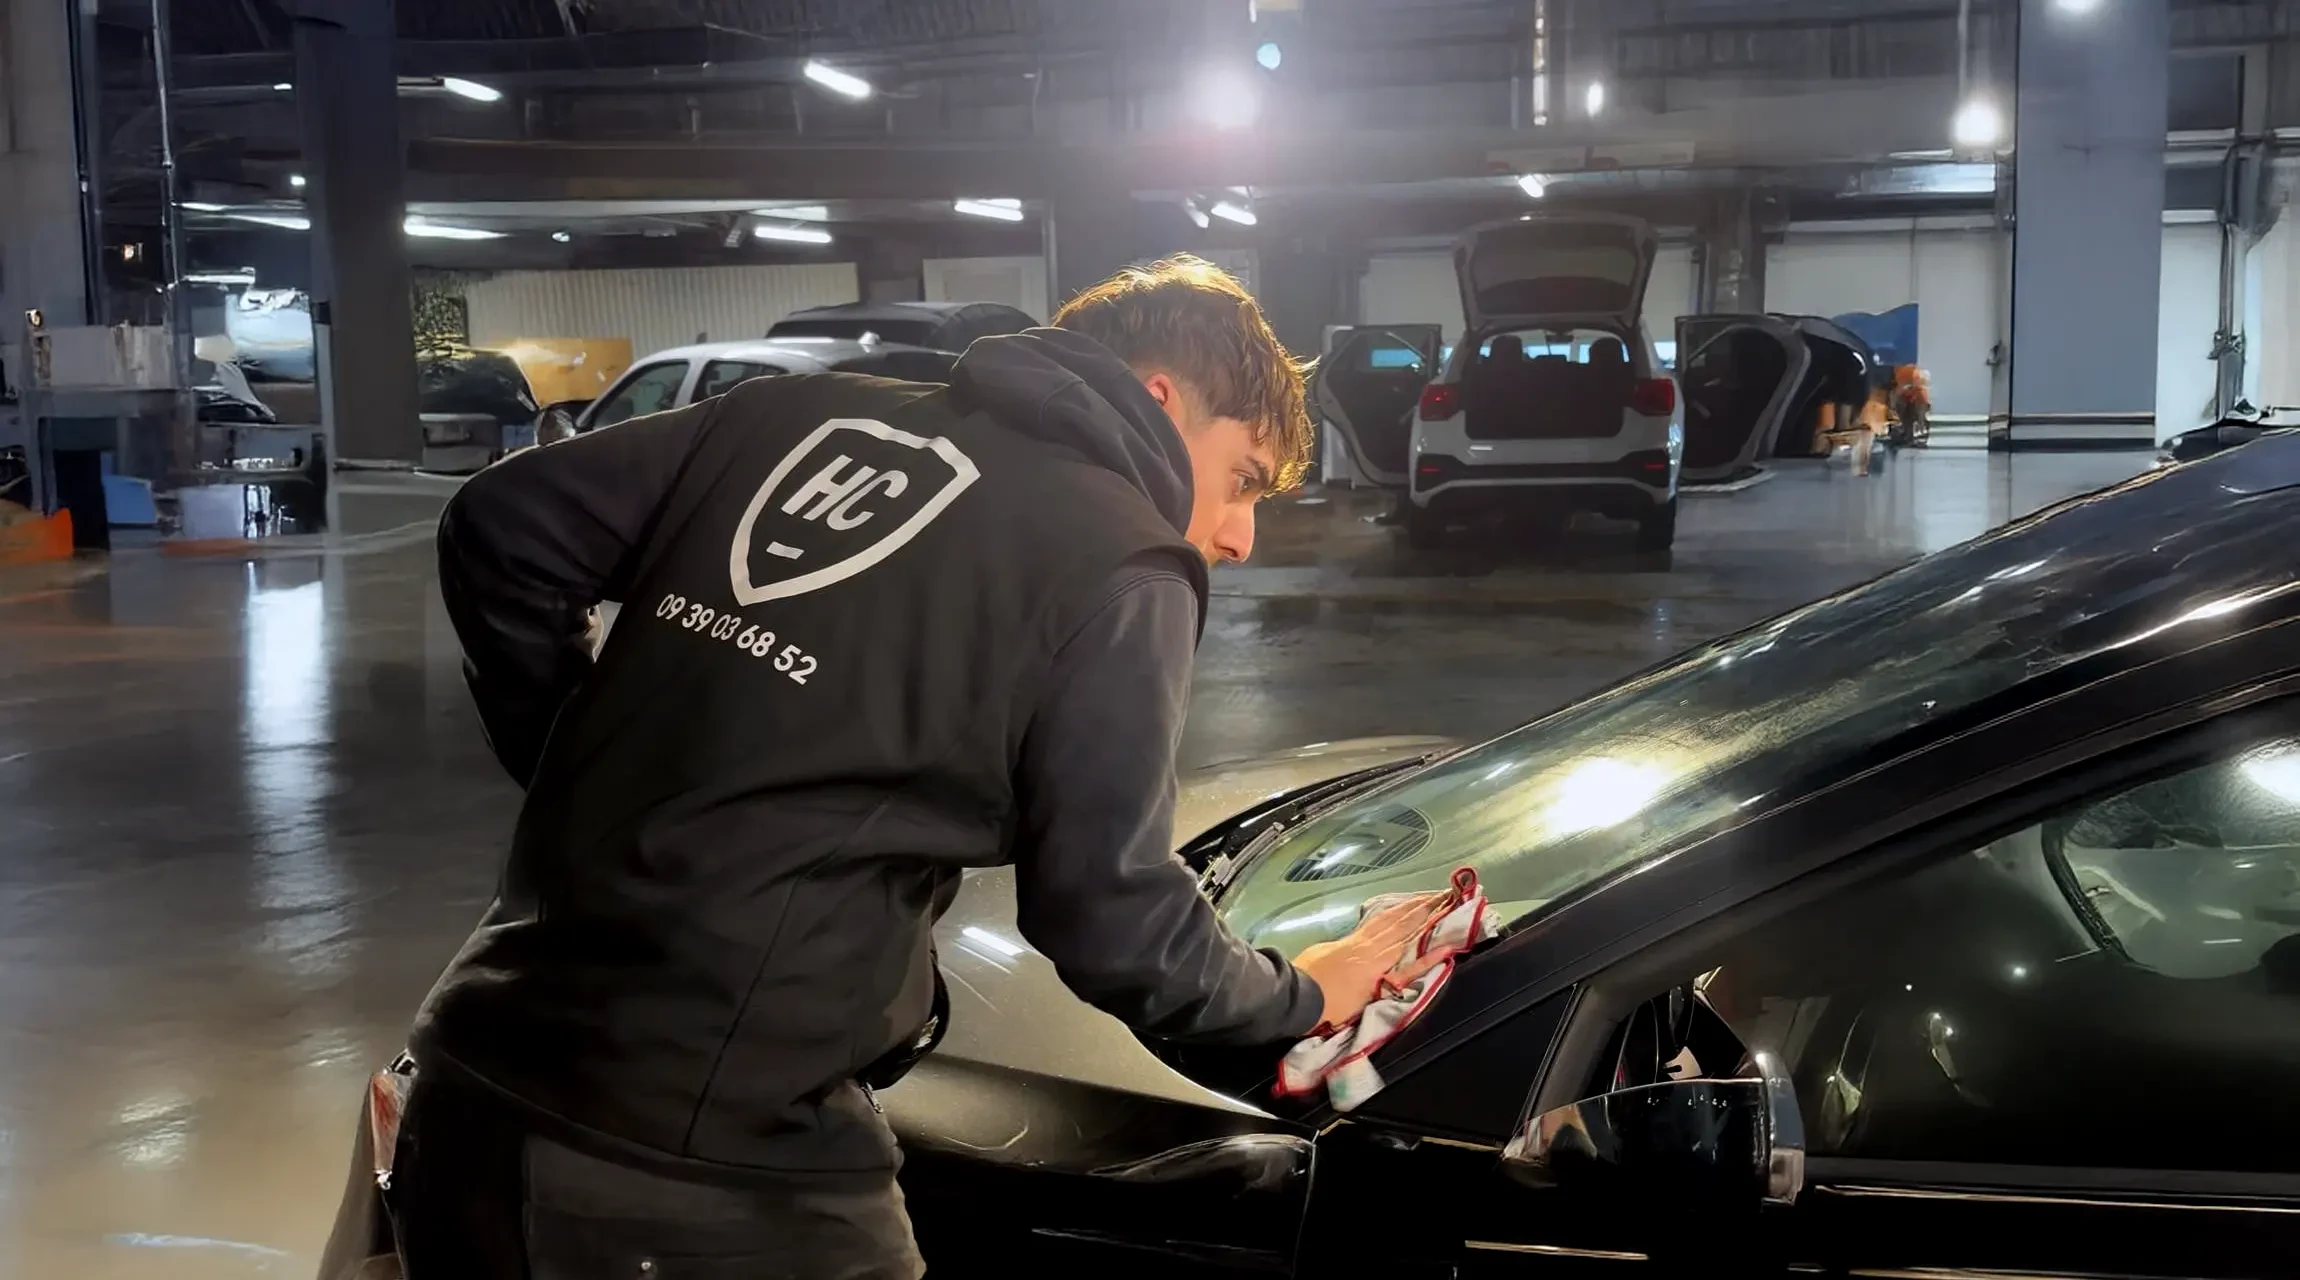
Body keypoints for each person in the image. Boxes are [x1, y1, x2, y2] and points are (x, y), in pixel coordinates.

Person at [388, 256, 1444, 1277]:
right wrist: (1302, 995)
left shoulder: (797, 416)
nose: (1241, 533)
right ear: (1158, 397)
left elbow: (500, 523)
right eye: (1241, 479)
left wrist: (595, 772)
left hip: (471, 1089)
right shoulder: (1120, 556)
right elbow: (1110, 917)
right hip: (695, 1176)